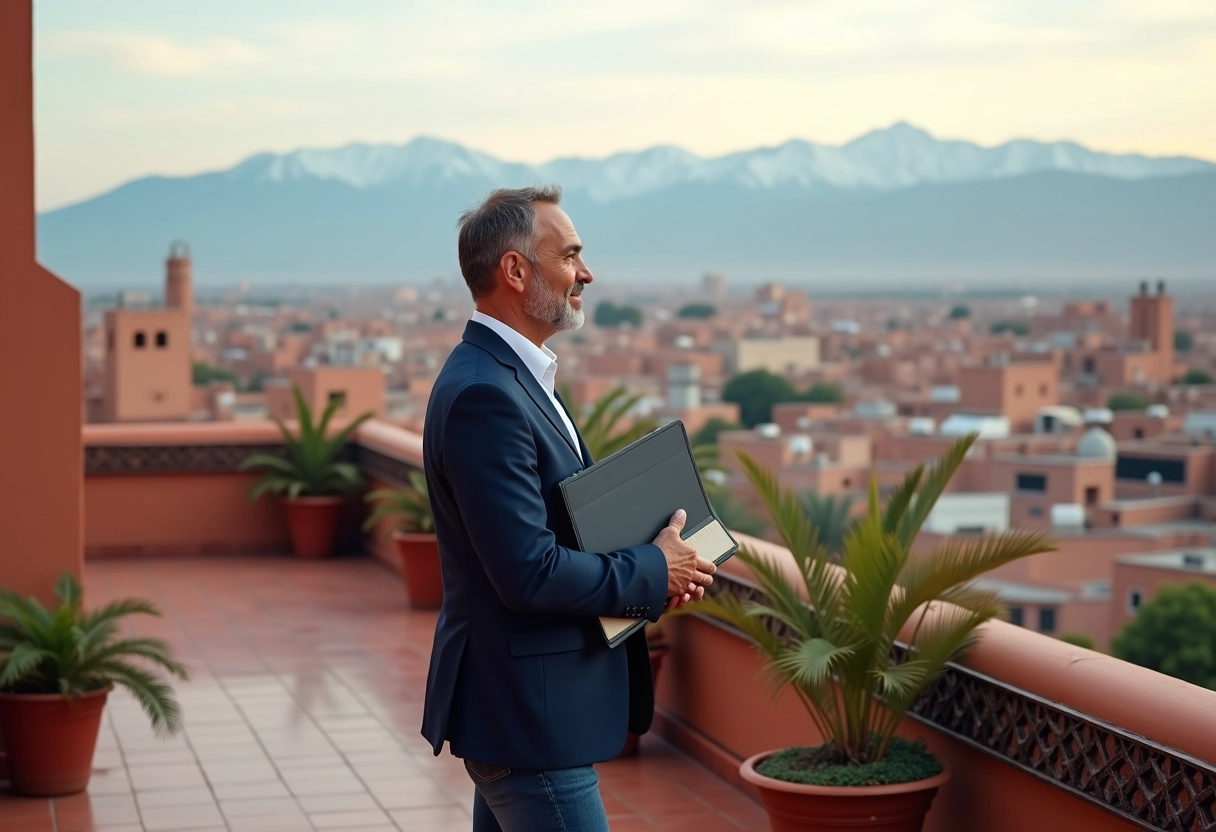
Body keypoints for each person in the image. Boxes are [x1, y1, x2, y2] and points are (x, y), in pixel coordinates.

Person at [421, 185, 717, 831]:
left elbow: (553, 530)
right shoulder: (486, 396)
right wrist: (653, 568)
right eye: (570, 256)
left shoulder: (511, 378)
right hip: (530, 719)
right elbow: (527, 572)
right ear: (515, 270)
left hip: (525, 712)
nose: (586, 273)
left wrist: (654, 568)